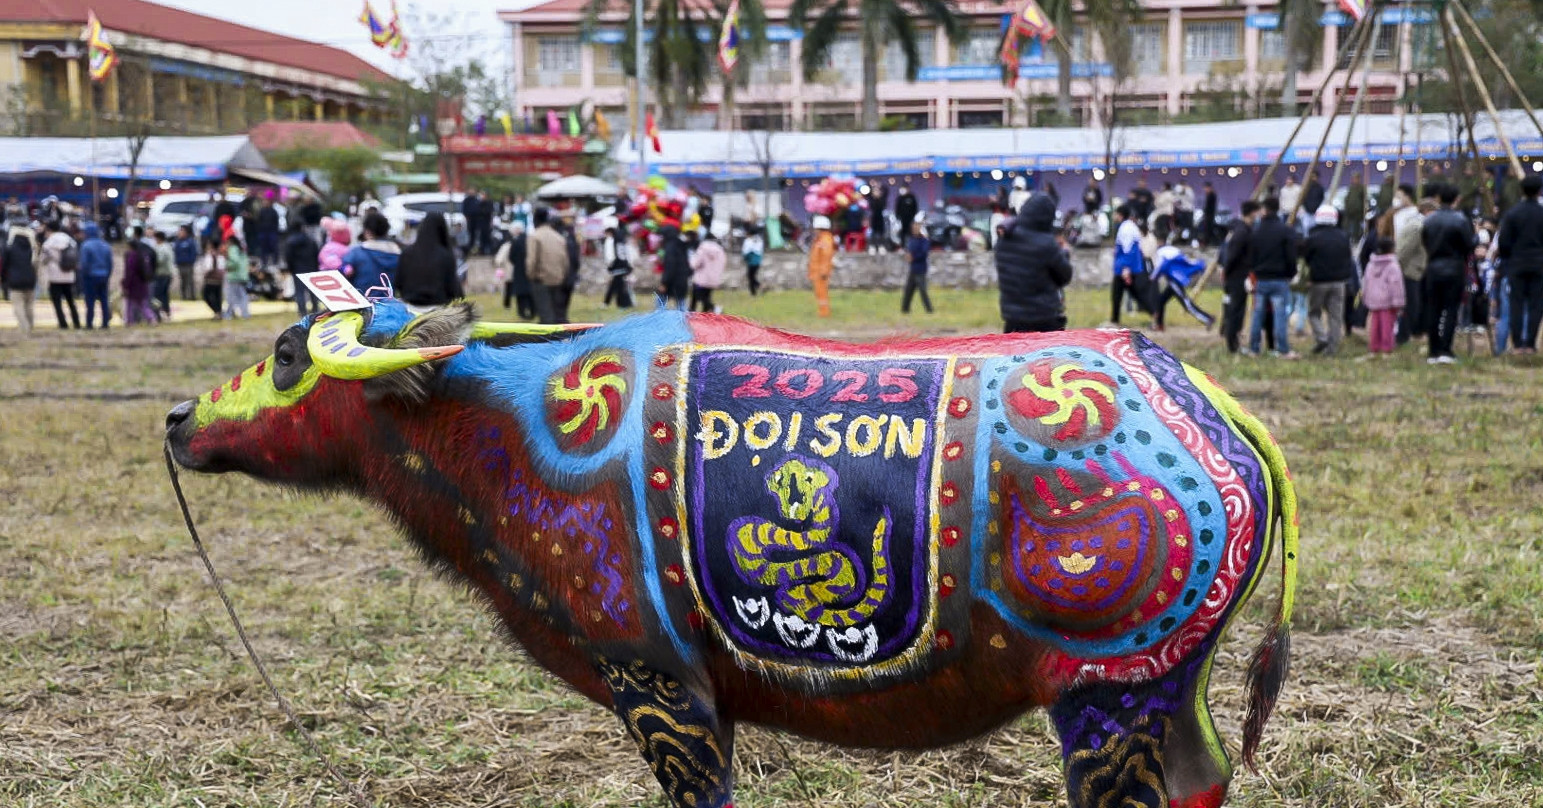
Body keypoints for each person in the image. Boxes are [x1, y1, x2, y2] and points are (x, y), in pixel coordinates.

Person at [996, 195, 1073, 332]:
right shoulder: (1046, 243)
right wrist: (1064, 253)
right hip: (1044, 319)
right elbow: (1064, 276)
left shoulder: (1004, 238)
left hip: (1013, 320)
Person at [1421, 184, 1476, 364]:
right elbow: (1469, 245)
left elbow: (1425, 241)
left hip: (1433, 267)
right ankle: (1446, 349)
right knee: (1451, 309)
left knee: (1433, 309)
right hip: (1454, 268)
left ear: (1438, 199)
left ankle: (1433, 350)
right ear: (1456, 199)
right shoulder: (1460, 220)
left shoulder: (1429, 220)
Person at [1247, 197, 1300, 358]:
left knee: (1257, 314)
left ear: (1265, 209)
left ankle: (1254, 348)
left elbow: (1251, 256)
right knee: (1280, 315)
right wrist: (1291, 273)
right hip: (1279, 279)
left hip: (1261, 278)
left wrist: (1253, 273)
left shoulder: (1256, 231)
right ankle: (1283, 348)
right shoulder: (1285, 230)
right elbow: (1291, 256)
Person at [1497, 174, 1543, 353]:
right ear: (1539, 191)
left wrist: (1508, 259)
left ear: (1521, 190)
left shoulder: (1512, 213)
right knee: (1536, 304)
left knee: (1516, 303)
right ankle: (1530, 343)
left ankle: (1517, 343)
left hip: (1516, 264)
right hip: (1539, 264)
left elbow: (1503, 242)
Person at [1300, 206, 1355, 356]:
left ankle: (1321, 337)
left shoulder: (1312, 238)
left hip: (1318, 282)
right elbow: (1348, 257)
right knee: (1335, 316)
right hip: (1339, 282)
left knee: (1313, 312)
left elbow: (1306, 258)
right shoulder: (1344, 237)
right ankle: (1332, 349)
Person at [395, 212, 462, 308]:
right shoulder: (445, 256)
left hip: (409, 308)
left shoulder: (407, 253)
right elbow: (452, 289)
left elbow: (398, 283)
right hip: (437, 310)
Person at [1220, 200, 1261, 353]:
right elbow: (1232, 255)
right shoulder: (1242, 232)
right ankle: (1232, 344)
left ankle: (1234, 341)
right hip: (1237, 276)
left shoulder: (1242, 230)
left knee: (1238, 309)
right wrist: (1228, 271)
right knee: (1236, 310)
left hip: (1238, 275)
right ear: (1252, 213)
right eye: (1257, 212)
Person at [1150, 238, 1216, 330]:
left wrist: (1154, 276)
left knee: (1187, 304)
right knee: (1161, 301)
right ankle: (1159, 325)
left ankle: (1208, 318)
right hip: (1173, 280)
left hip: (1174, 280)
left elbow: (1163, 265)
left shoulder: (1162, 252)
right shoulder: (1169, 249)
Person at [1392, 185, 1427, 344]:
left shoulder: (1414, 216)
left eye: (1400, 195)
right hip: (1399, 258)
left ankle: (1411, 331)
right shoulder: (1395, 214)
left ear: (1407, 196)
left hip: (1410, 264)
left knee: (1411, 301)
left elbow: (1407, 245)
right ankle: (1404, 331)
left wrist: (1397, 261)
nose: (1397, 199)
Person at [1362, 237, 1406, 358]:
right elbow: (1396, 284)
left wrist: (1366, 297)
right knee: (1387, 325)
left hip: (1374, 300)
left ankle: (1374, 347)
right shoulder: (1393, 265)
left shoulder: (1371, 264)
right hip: (1388, 301)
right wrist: (1398, 302)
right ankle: (1387, 347)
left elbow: (1366, 281)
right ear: (1392, 249)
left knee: (1374, 324)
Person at [526, 207, 571, 323]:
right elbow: (565, 261)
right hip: (558, 279)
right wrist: (562, 276)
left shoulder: (535, 236)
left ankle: (549, 339)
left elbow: (531, 261)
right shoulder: (559, 237)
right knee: (558, 313)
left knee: (546, 314)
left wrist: (531, 276)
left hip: (541, 280)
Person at [1109, 205, 1151, 325]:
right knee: (1134, 293)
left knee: (1118, 294)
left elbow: (1128, 250)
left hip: (1125, 268)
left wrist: (1125, 268)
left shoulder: (1126, 228)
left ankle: (1114, 320)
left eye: (1116, 213)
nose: (1114, 216)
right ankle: (1154, 312)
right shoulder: (1128, 226)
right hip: (1126, 267)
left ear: (1120, 215)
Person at [342, 211, 401, 295]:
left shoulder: (357, 253)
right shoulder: (398, 255)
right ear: (386, 231)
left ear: (367, 231)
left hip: (362, 303)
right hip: (388, 304)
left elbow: (343, 272)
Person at [39, 218, 81, 330]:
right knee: (71, 302)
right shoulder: (70, 240)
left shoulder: (48, 243)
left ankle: (63, 324)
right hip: (69, 275)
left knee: (57, 303)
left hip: (55, 277)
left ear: (49, 230)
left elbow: (43, 260)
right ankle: (77, 323)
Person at [3, 219, 38, 334]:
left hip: (15, 279)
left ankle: (24, 328)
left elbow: (4, 265)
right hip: (30, 279)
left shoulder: (9, 247)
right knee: (29, 305)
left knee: (18, 305)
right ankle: (30, 326)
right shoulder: (33, 246)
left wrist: (3, 279)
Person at [283, 221, 322, 316]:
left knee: (299, 292)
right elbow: (316, 253)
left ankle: (302, 311)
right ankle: (315, 310)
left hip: (297, 269)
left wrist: (290, 268)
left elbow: (288, 256)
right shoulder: (310, 240)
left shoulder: (290, 241)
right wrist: (316, 266)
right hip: (311, 267)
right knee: (313, 291)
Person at [79, 222, 113, 329]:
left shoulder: (86, 245)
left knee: (90, 301)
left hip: (90, 276)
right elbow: (110, 263)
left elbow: (84, 263)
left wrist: (83, 275)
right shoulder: (106, 245)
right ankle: (105, 322)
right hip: (104, 276)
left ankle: (89, 323)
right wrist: (107, 274)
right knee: (104, 300)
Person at [122, 227, 157, 326]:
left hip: (134, 284)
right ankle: (151, 318)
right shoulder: (143, 254)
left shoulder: (131, 257)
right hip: (143, 283)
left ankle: (129, 321)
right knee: (143, 303)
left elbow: (129, 272)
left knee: (130, 303)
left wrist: (126, 284)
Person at [498, 223, 534, 318]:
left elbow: (508, 257)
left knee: (516, 291)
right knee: (529, 291)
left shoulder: (513, 243)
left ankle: (519, 310)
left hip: (516, 271)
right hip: (529, 270)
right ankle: (532, 311)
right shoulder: (530, 240)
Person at [689, 231, 726, 312]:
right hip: (713, 279)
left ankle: (714, 308)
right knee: (706, 296)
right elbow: (723, 264)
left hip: (701, 279)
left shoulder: (703, 248)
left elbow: (695, 263)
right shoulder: (720, 250)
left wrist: (691, 259)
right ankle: (705, 316)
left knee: (697, 296)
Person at [902, 220, 933, 314]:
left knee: (923, 291)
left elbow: (924, 253)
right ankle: (905, 309)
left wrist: (913, 257)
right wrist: (907, 256)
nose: (915, 229)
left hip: (920, 269)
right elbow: (908, 250)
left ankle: (929, 310)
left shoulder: (924, 241)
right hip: (913, 269)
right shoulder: (911, 240)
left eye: (916, 227)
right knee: (908, 291)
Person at [808, 215, 835, 317]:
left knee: (822, 292)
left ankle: (824, 312)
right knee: (819, 293)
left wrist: (824, 271)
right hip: (817, 272)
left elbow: (826, 256)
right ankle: (822, 311)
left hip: (821, 273)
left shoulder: (825, 240)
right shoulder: (820, 239)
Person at [601, 226, 634, 309]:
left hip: (617, 266)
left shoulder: (612, 240)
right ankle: (623, 303)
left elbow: (610, 255)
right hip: (623, 266)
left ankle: (621, 303)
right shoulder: (621, 240)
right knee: (618, 286)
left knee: (617, 286)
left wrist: (610, 266)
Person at [222, 234, 251, 320]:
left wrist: (227, 265)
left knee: (231, 296)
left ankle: (229, 314)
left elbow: (235, 261)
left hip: (234, 276)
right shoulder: (241, 249)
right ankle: (245, 314)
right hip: (242, 275)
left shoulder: (233, 249)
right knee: (242, 295)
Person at [151, 230, 175, 320]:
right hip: (167, 274)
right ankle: (166, 311)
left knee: (158, 295)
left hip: (162, 274)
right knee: (164, 295)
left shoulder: (162, 248)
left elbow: (159, 261)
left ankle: (160, 313)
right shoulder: (167, 246)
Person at [198, 240, 224, 318]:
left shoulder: (209, 256)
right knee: (218, 297)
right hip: (219, 280)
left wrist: (205, 274)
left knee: (206, 295)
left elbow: (208, 268)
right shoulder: (221, 256)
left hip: (210, 280)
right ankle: (219, 311)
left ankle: (216, 311)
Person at [174, 225, 199, 300]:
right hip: (180, 265)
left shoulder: (190, 241)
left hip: (188, 265)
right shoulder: (178, 241)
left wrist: (191, 261)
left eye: (182, 231)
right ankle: (183, 296)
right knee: (183, 281)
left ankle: (192, 296)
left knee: (190, 281)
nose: (180, 232)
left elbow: (194, 253)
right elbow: (176, 252)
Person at [255, 197, 281, 269]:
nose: (265, 203)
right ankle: (264, 262)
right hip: (263, 232)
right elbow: (258, 221)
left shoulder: (274, 211)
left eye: (266, 202)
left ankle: (275, 261)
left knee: (274, 247)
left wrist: (275, 231)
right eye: (264, 202)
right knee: (263, 248)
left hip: (272, 232)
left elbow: (276, 222)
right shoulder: (261, 211)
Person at [741, 226, 764, 296]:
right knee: (752, 276)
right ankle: (757, 287)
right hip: (758, 260)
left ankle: (754, 291)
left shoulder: (749, 240)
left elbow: (746, 251)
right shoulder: (760, 240)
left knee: (750, 276)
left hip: (751, 259)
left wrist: (744, 258)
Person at [1344, 175, 1367, 244]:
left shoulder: (1361, 188)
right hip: (1349, 211)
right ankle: (1348, 239)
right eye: (1353, 178)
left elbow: (1364, 200)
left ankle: (1356, 240)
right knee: (1347, 226)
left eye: (1356, 178)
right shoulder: (1351, 188)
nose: (1354, 180)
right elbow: (1347, 198)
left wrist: (1363, 210)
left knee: (1356, 227)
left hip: (1358, 212)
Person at [867, 182, 888, 251]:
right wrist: (872, 186)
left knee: (881, 232)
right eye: (875, 191)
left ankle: (881, 246)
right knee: (873, 232)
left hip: (881, 218)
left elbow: (886, 191)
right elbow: (868, 193)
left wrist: (880, 185)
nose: (876, 192)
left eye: (877, 191)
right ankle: (872, 246)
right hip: (873, 218)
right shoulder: (871, 199)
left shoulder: (882, 199)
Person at [1200, 181, 1218, 246]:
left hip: (1209, 214)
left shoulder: (1212, 195)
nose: (1205, 190)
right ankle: (1207, 242)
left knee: (1208, 229)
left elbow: (1209, 206)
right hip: (1208, 214)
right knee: (1207, 228)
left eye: (1205, 188)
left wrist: (1206, 213)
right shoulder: (1210, 194)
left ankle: (1207, 242)